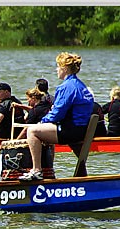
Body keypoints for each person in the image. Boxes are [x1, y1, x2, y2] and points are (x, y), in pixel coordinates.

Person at [22, 52, 93, 180]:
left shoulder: (66, 87)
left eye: (58, 66)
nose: (56, 69)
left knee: (32, 131)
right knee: (47, 129)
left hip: (70, 131)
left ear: (65, 69)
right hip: (82, 130)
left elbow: (57, 114)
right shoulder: (82, 86)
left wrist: (42, 122)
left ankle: (36, 171)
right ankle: (82, 175)